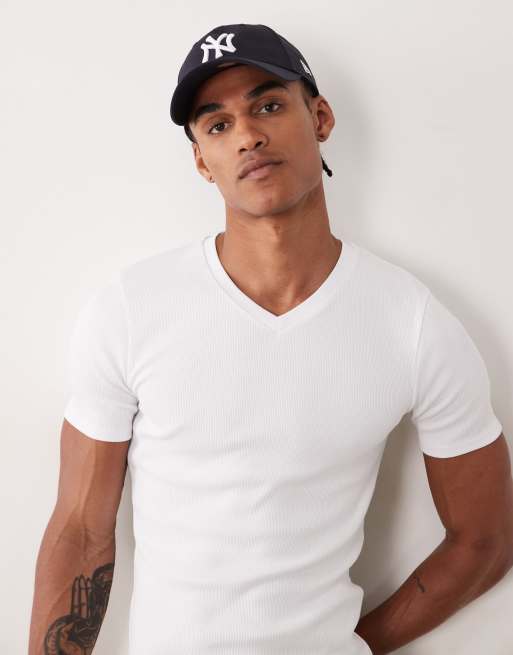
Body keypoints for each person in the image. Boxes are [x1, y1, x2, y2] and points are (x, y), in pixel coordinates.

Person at [29, 23, 513, 655]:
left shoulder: (411, 322)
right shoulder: (132, 308)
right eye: (217, 124)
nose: (247, 136)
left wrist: (356, 646)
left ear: (320, 117)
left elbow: (486, 540)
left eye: (268, 106)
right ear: (201, 161)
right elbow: (80, 532)